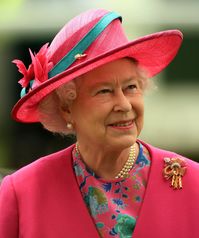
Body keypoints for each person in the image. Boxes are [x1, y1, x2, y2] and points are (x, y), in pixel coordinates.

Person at [0, 8, 198, 238]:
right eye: (104, 91)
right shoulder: (22, 193)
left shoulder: (193, 183)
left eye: (131, 87)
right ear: (66, 108)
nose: (124, 105)